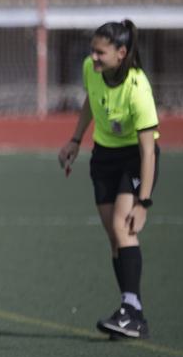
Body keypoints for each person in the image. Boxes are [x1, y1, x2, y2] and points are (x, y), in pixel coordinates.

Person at [58, 19, 159, 340]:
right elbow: (91, 99)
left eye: (100, 52)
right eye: (92, 51)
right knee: (114, 237)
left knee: (122, 225)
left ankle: (132, 311)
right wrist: (75, 139)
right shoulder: (92, 69)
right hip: (104, 157)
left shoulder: (138, 87)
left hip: (134, 159)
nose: (94, 57)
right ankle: (131, 311)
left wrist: (143, 201)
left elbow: (148, 152)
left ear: (121, 52)